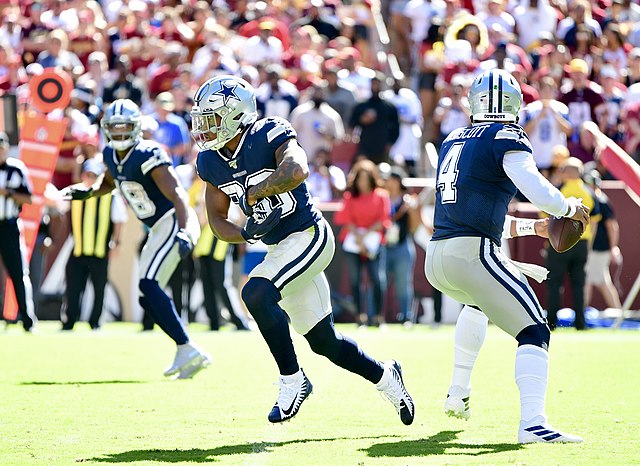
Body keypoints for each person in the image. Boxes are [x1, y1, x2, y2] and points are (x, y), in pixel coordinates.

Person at [191, 75, 414, 424]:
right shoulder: (210, 161)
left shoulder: (268, 132)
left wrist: (257, 191)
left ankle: (292, 379)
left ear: (236, 114)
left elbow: (297, 169)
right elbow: (217, 220)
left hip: (309, 235)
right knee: (325, 342)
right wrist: (246, 233)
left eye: (213, 118)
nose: (205, 127)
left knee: (255, 293)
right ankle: (386, 376)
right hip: (281, 248)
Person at [425, 69, 588, 443]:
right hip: (472, 255)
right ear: (516, 105)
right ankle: (533, 423)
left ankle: (458, 392)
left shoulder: (453, 139)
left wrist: (534, 227)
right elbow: (535, 187)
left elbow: (474, 215)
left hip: (438, 257)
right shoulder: (506, 136)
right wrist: (566, 206)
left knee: (477, 304)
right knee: (535, 328)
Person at [63, 99, 210, 379]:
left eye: (124, 127)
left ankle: (187, 347)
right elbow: (109, 182)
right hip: (158, 227)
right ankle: (186, 348)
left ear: (135, 128)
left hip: (174, 220)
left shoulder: (147, 152)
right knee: (147, 296)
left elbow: (177, 194)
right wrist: (88, 191)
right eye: (114, 128)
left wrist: (183, 229)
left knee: (149, 285)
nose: (119, 133)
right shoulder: (110, 154)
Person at [62, 159, 127, 331]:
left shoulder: (110, 196)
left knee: (99, 290)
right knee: (73, 288)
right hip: (78, 250)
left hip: (100, 251)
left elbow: (119, 220)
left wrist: (116, 244)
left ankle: (95, 322)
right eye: (87, 175)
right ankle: (69, 321)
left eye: (94, 175)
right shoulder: (75, 192)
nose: (90, 179)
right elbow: (58, 204)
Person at [546, 157, 600, 330]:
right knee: (579, 284)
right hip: (582, 242)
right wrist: (589, 243)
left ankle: (551, 322)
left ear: (568, 172)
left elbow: (545, 217)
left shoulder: (558, 191)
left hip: (559, 243)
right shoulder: (589, 192)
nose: (560, 172)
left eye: (563, 169)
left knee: (554, 283)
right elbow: (595, 221)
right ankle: (580, 324)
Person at [335, 160, 391, 327]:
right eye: (360, 178)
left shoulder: (382, 195)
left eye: (366, 178)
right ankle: (360, 317)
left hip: (374, 243)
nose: (363, 182)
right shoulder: (349, 197)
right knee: (356, 280)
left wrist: (365, 236)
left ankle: (378, 318)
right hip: (353, 243)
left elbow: (384, 219)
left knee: (377, 279)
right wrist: (359, 239)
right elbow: (345, 219)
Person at [0, 131, 36, 332]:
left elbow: (29, 198)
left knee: (17, 272)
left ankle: (27, 318)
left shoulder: (16, 169)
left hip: (8, 226)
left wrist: (8, 193)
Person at [583, 169, 622, 311]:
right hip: (597, 248)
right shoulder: (596, 199)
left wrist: (613, 247)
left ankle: (581, 313)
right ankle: (618, 311)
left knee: (588, 279)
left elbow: (612, 226)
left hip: (599, 248)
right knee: (602, 281)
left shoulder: (601, 201)